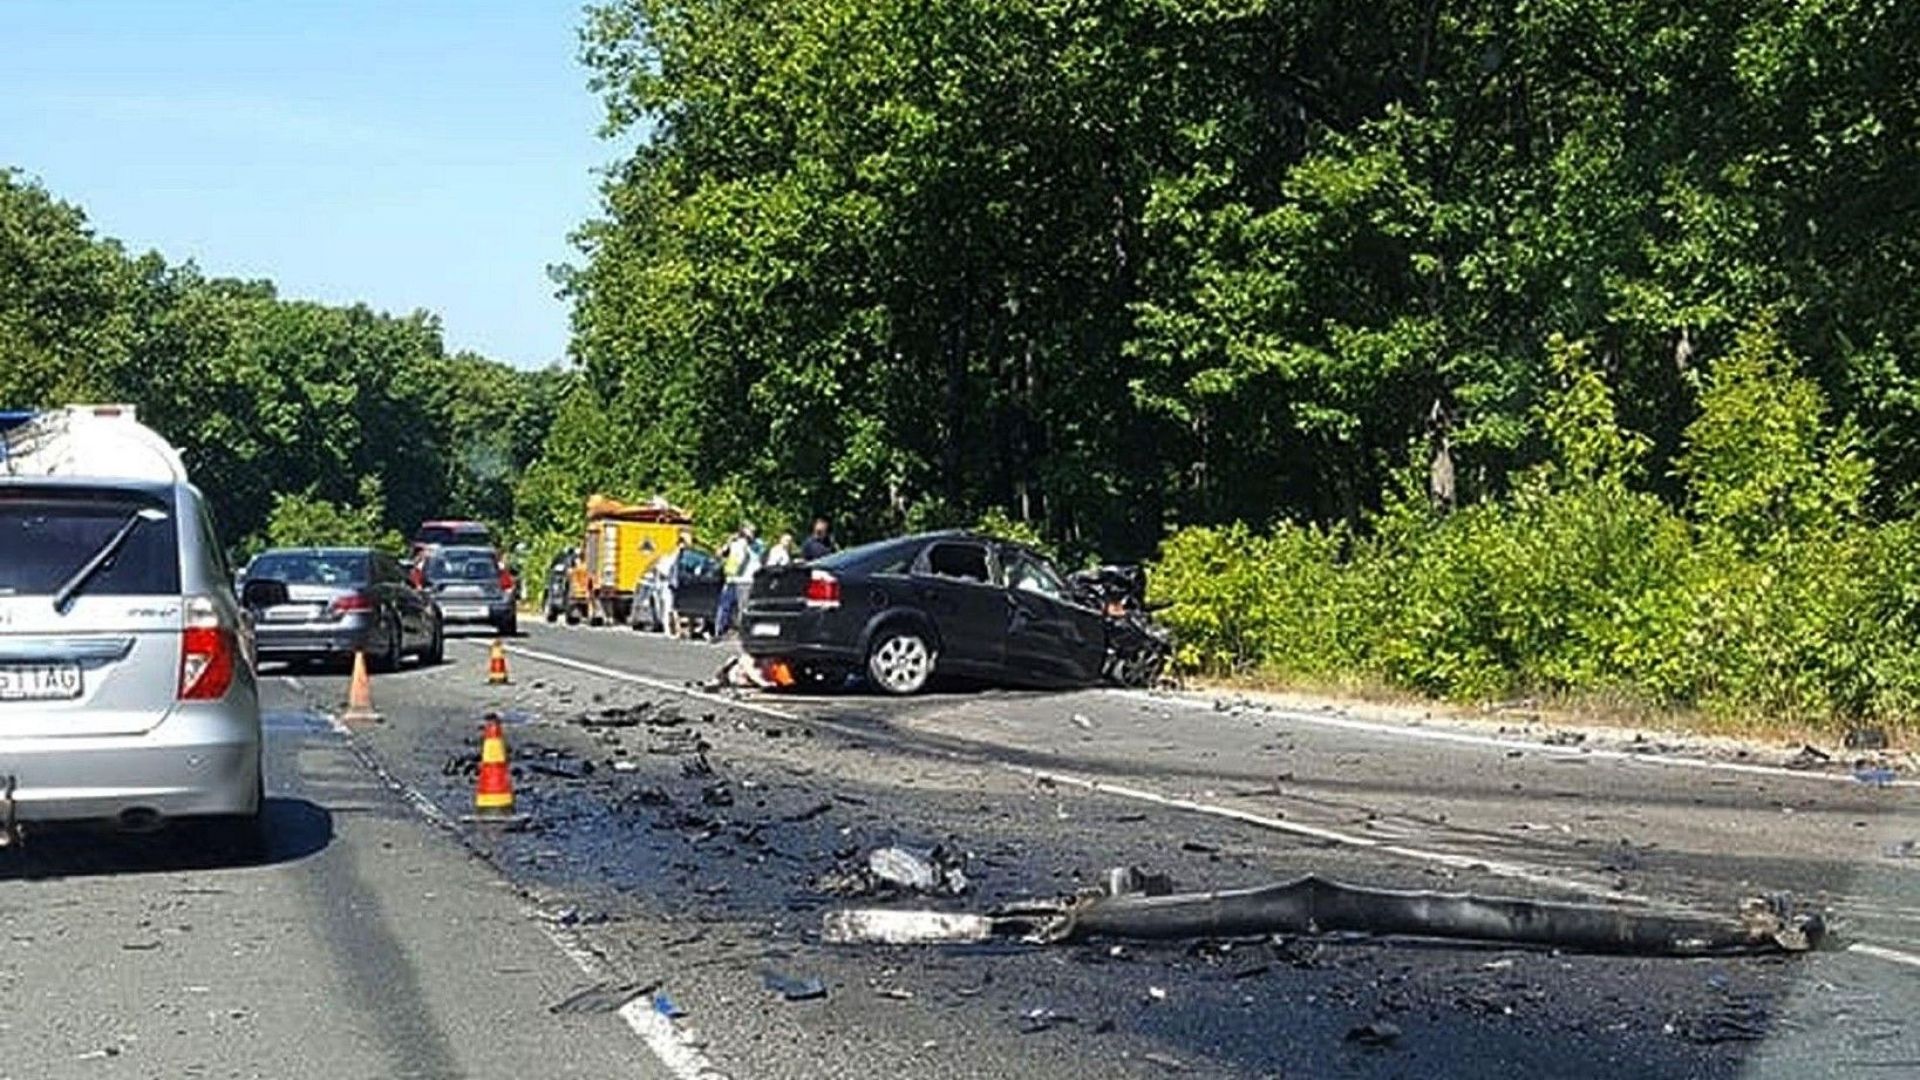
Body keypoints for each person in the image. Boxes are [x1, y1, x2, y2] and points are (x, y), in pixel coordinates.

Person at [714, 522, 762, 639]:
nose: (751, 533)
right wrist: (728, 542)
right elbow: (720, 554)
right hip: (733, 579)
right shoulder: (736, 544)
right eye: (749, 530)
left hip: (746, 581)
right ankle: (720, 631)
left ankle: (741, 632)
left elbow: (755, 554)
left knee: (743, 608)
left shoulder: (757, 545)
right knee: (726, 606)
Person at [656, 529, 690, 637]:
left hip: (677, 585)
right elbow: (665, 570)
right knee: (669, 607)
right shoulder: (674, 556)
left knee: (675, 608)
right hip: (669, 585)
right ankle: (668, 630)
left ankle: (678, 630)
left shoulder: (682, 555)